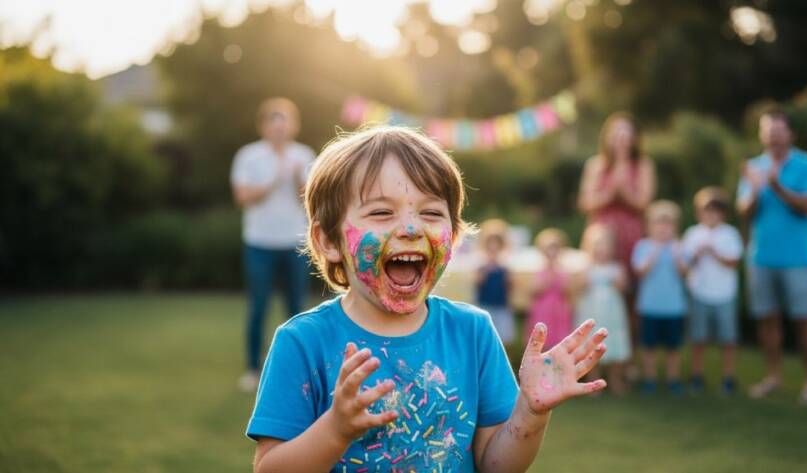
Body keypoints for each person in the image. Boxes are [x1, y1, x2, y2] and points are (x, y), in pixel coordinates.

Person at [246, 126, 609, 473]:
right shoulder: (303, 341)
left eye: (432, 213)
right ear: (327, 240)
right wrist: (334, 430)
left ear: (452, 238)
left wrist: (530, 412)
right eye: (381, 212)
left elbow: (497, 465)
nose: (410, 229)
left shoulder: (473, 333)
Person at [737, 109, 807, 406]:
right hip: (761, 258)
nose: (773, 136)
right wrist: (754, 189)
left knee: (803, 321)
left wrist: (776, 186)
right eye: (768, 131)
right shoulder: (754, 167)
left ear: (790, 134)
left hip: (798, 259)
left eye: (778, 131)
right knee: (767, 321)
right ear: (762, 135)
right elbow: (745, 213)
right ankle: (773, 378)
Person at [230, 97, 315, 391]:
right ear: (263, 126)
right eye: (273, 122)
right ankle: (253, 369)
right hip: (259, 243)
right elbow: (242, 197)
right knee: (258, 307)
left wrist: (293, 178)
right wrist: (272, 179)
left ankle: (296, 371)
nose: (279, 129)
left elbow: (310, 201)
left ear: (294, 125)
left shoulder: (305, 155)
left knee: (297, 309)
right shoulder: (248, 156)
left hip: (296, 243)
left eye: (285, 122)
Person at [577, 112, 656, 376]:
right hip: (601, 237)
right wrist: (612, 191)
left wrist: (625, 192)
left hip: (631, 235)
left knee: (630, 299)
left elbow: (643, 203)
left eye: (627, 133)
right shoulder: (596, 165)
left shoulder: (643, 165)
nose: (622, 139)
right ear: (608, 137)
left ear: (634, 138)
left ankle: (626, 360)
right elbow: (586, 203)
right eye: (617, 133)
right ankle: (594, 360)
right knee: (595, 299)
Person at [682, 187, 743, 396]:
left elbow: (733, 261)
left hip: (725, 294)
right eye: (706, 211)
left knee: (728, 339)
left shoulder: (730, 233)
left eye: (715, 211)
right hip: (699, 293)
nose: (710, 216)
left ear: (723, 214)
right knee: (698, 338)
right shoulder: (693, 233)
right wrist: (698, 254)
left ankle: (728, 377)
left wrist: (714, 252)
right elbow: (685, 264)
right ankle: (697, 375)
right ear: (699, 213)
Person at [631, 200, 688, 395]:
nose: (663, 228)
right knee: (649, 347)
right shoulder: (643, 246)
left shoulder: (679, 247)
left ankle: (673, 380)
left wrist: (676, 255)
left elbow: (684, 272)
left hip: (674, 307)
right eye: (659, 223)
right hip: (649, 306)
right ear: (650, 226)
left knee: (673, 348)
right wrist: (655, 251)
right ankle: (650, 380)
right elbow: (640, 272)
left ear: (675, 226)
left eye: (668, 224)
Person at [576, 223, 632, 395]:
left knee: (613, 342)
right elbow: (578, 287)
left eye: (605, 245)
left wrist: (619, 283)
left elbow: (624, 287)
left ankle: (615, 379)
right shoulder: (586, 268)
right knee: (592, 344)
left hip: (612, 313)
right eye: (597, 245)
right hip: (592, 311)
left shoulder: (616, 268)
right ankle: (594, 382)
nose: (601, 249)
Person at [526, 228, 574, 350]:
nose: (552, 252)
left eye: (555, 249)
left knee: (559, 341)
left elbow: (568, 291)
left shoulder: (563, 271)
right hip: (543, 310)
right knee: (542, 340)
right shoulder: (538, 270)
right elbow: (534, 290)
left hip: (559, 310)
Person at [475, 219, 515, 347]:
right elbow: (477, 283)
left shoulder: (505, 266)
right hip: (485, 306)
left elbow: (510, 287)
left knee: (503, 340)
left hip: (502, 306)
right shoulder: (480, 265)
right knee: (484, 340)